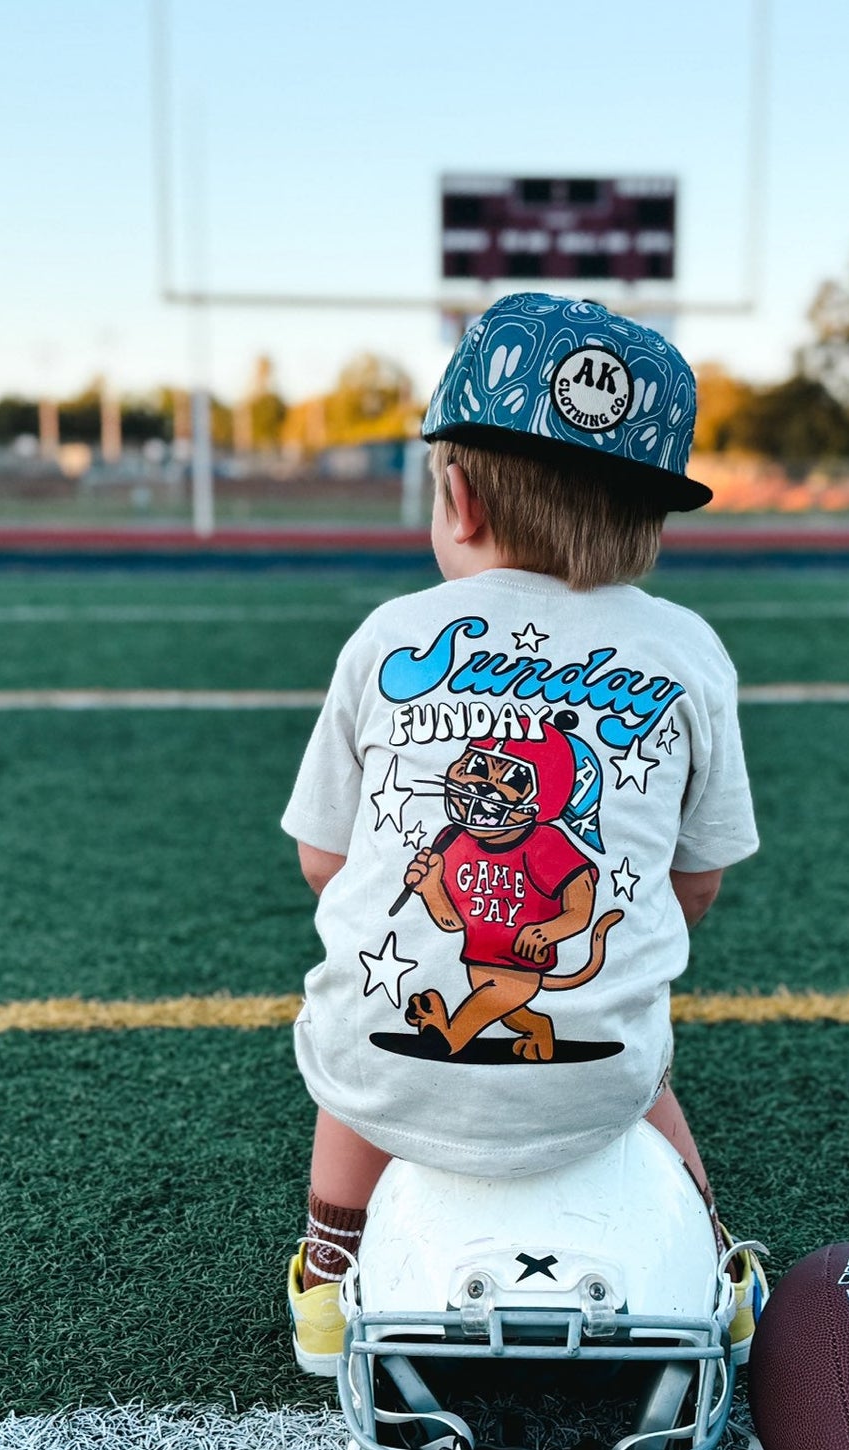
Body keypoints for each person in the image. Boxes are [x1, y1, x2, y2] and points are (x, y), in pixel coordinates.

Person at [280, 292, 761, 1373]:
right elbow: (696, 881)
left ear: (455, 494)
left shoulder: (385, 635)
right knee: (643, 1070)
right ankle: (715, 1263)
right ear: (653, 518)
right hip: (595, 1074)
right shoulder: (687, 649)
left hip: (394, 1044)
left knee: (353, 1064)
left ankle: (326, 1270)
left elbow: (322, 861)